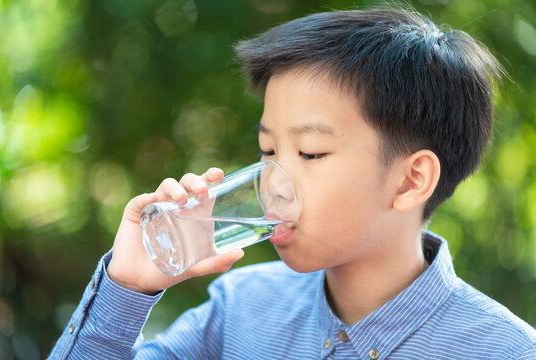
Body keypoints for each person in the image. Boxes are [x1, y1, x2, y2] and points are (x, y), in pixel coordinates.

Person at [49, 7, 535, 359]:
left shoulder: (504, 350)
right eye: (267, 151)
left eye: (310, 153)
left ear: (411, 180)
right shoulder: (240, 310)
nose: (274, 184)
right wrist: (127, 286)